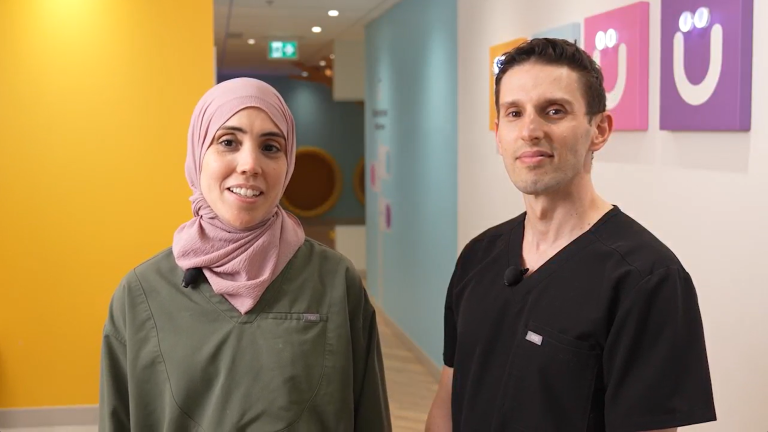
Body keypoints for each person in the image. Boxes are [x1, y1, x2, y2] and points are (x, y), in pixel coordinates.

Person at [425, 38, 716, 432]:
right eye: (514, 113)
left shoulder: (646, 278)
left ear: (599, 130)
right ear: (498, 135)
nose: (530, 130)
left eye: (554, 111)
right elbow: (448, 400)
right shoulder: (478, 256)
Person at [99, 77, 391, 431]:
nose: (250, 164)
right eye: (227, 142)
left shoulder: (334, 280)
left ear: (288, 163)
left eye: (270, 147)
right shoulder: (141, 293)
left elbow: (370, 418)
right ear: (197, 155)